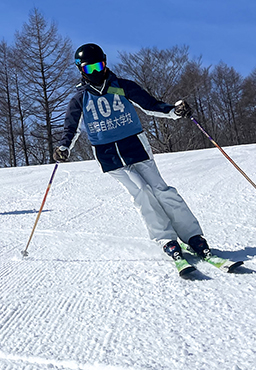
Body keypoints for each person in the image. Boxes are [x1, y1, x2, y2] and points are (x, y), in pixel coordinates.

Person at [54, 43, 216, 267]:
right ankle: (166, 239)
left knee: (160, 189)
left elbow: (150, 105)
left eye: (99, 66)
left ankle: (193, 236)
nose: (96, 72)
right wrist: (64, 148)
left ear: (105, 63)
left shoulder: (120, 87)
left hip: (135, 146)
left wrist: (174, 111)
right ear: (81, 70)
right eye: (89, 69)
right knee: (141, 192)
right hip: (108, 154)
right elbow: (71, 129)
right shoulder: (79, 99)